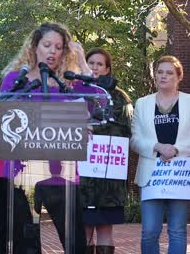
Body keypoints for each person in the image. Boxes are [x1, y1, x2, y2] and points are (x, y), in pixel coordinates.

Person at [0, 22, 93, 254]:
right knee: (22, 244)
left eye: (59, 47)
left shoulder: (69, 83)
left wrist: (83, 65)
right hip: (17, 175)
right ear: (34, 47)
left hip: (60, 175)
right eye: (47, 45)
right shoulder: (15, 80)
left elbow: (95, 105)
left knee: (76, 242)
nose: (52, 51)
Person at [130, 55, 190, 254]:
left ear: (179, 77)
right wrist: (158, 146)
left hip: (180, 175)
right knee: (149, 230)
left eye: (169, 72)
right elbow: (135, 140)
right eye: (160, 72)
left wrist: (175, 149)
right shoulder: (142, 103)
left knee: (178, 231)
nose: (163, 76)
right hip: (151, 174)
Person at [79, 48, 133, 254]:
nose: (94, 67)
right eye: (91, 62)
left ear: (108, 69)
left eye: (99, 64)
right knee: (83, 228)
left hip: (108, 175)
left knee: (104, 228)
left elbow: (125, 130)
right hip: (81, 175)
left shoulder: (120, 98)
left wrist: (94, 127)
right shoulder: (76, 92)